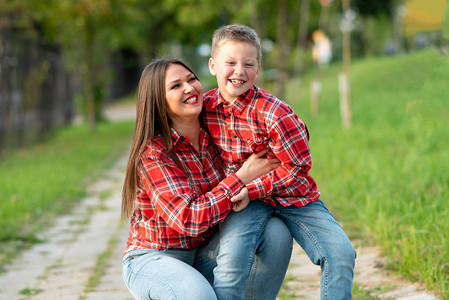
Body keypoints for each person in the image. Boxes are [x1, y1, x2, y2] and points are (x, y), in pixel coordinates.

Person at [203, 24, 357, 300]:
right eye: (230, 63)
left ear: (258, 69)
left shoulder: (275, 113)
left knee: (341, 253)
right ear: (213, 65)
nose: (239, 71)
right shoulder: (206, 109)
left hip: (293, 197)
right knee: (231, 266)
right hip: (246, 201)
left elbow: (297, 167)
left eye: (248, 64)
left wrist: (252, 189)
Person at [121, 57, 293, 300]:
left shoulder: (215, 130)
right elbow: (188, 219)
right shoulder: (153, 153)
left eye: (191, 79)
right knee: (198, 296)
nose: (189, 88)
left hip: (203, 252)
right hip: (155, 258)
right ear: (158, 102)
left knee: (275, 233)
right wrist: (242, 176)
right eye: (175, 86)